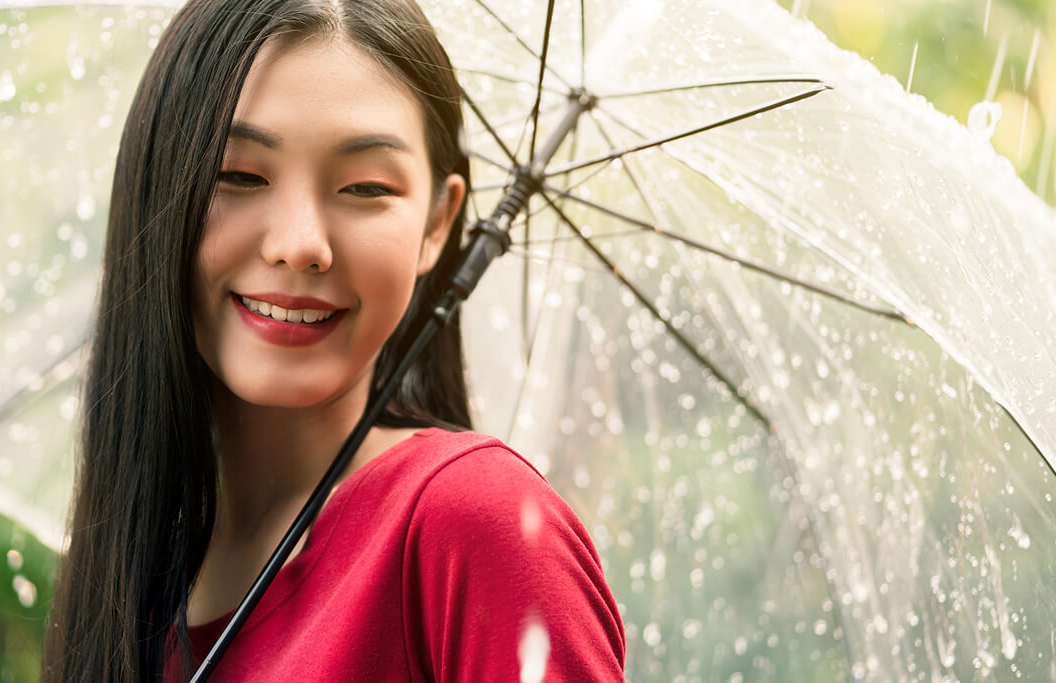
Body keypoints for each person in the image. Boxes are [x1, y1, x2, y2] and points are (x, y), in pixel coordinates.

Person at [42, 0, 626, 680]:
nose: (300, 244)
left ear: (437, 224)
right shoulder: (132, 586)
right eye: (239, 175)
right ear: (155, 188)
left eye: (366, 187)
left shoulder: (475, 523)